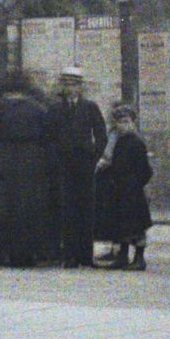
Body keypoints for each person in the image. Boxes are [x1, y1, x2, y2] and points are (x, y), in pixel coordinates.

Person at [0, 72, 53, 267]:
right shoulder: (38, 109)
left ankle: (8, 251)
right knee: (30, 204)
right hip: (32, 158)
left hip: (6, 157)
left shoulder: (0, 109)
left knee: (7, 205)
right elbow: (47, 134)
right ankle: (29, 252)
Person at [48, 67, 110, 269]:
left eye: (74, 84)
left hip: (84, 163)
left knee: (86, 208)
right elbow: (48, 136)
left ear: (80, 87)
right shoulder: (55, 108)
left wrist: (95, 156)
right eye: (66, 84)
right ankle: (70, 255)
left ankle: (85, 255)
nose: (70, 88)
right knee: (67, 208)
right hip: (64, 163)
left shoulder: (89, 107)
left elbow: (101, 134)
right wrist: (57, 156)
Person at [96, 103, 154, 270]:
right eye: (120, 121)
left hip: (133, 191)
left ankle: (139, 258)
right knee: (121, 225)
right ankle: (122, 256)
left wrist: (135, 184)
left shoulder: (136, 142)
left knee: (136, 227)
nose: (123, 125)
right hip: (119, 189)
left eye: (127, 121)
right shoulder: (120, 141)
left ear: (132, 122)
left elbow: (145, 170)